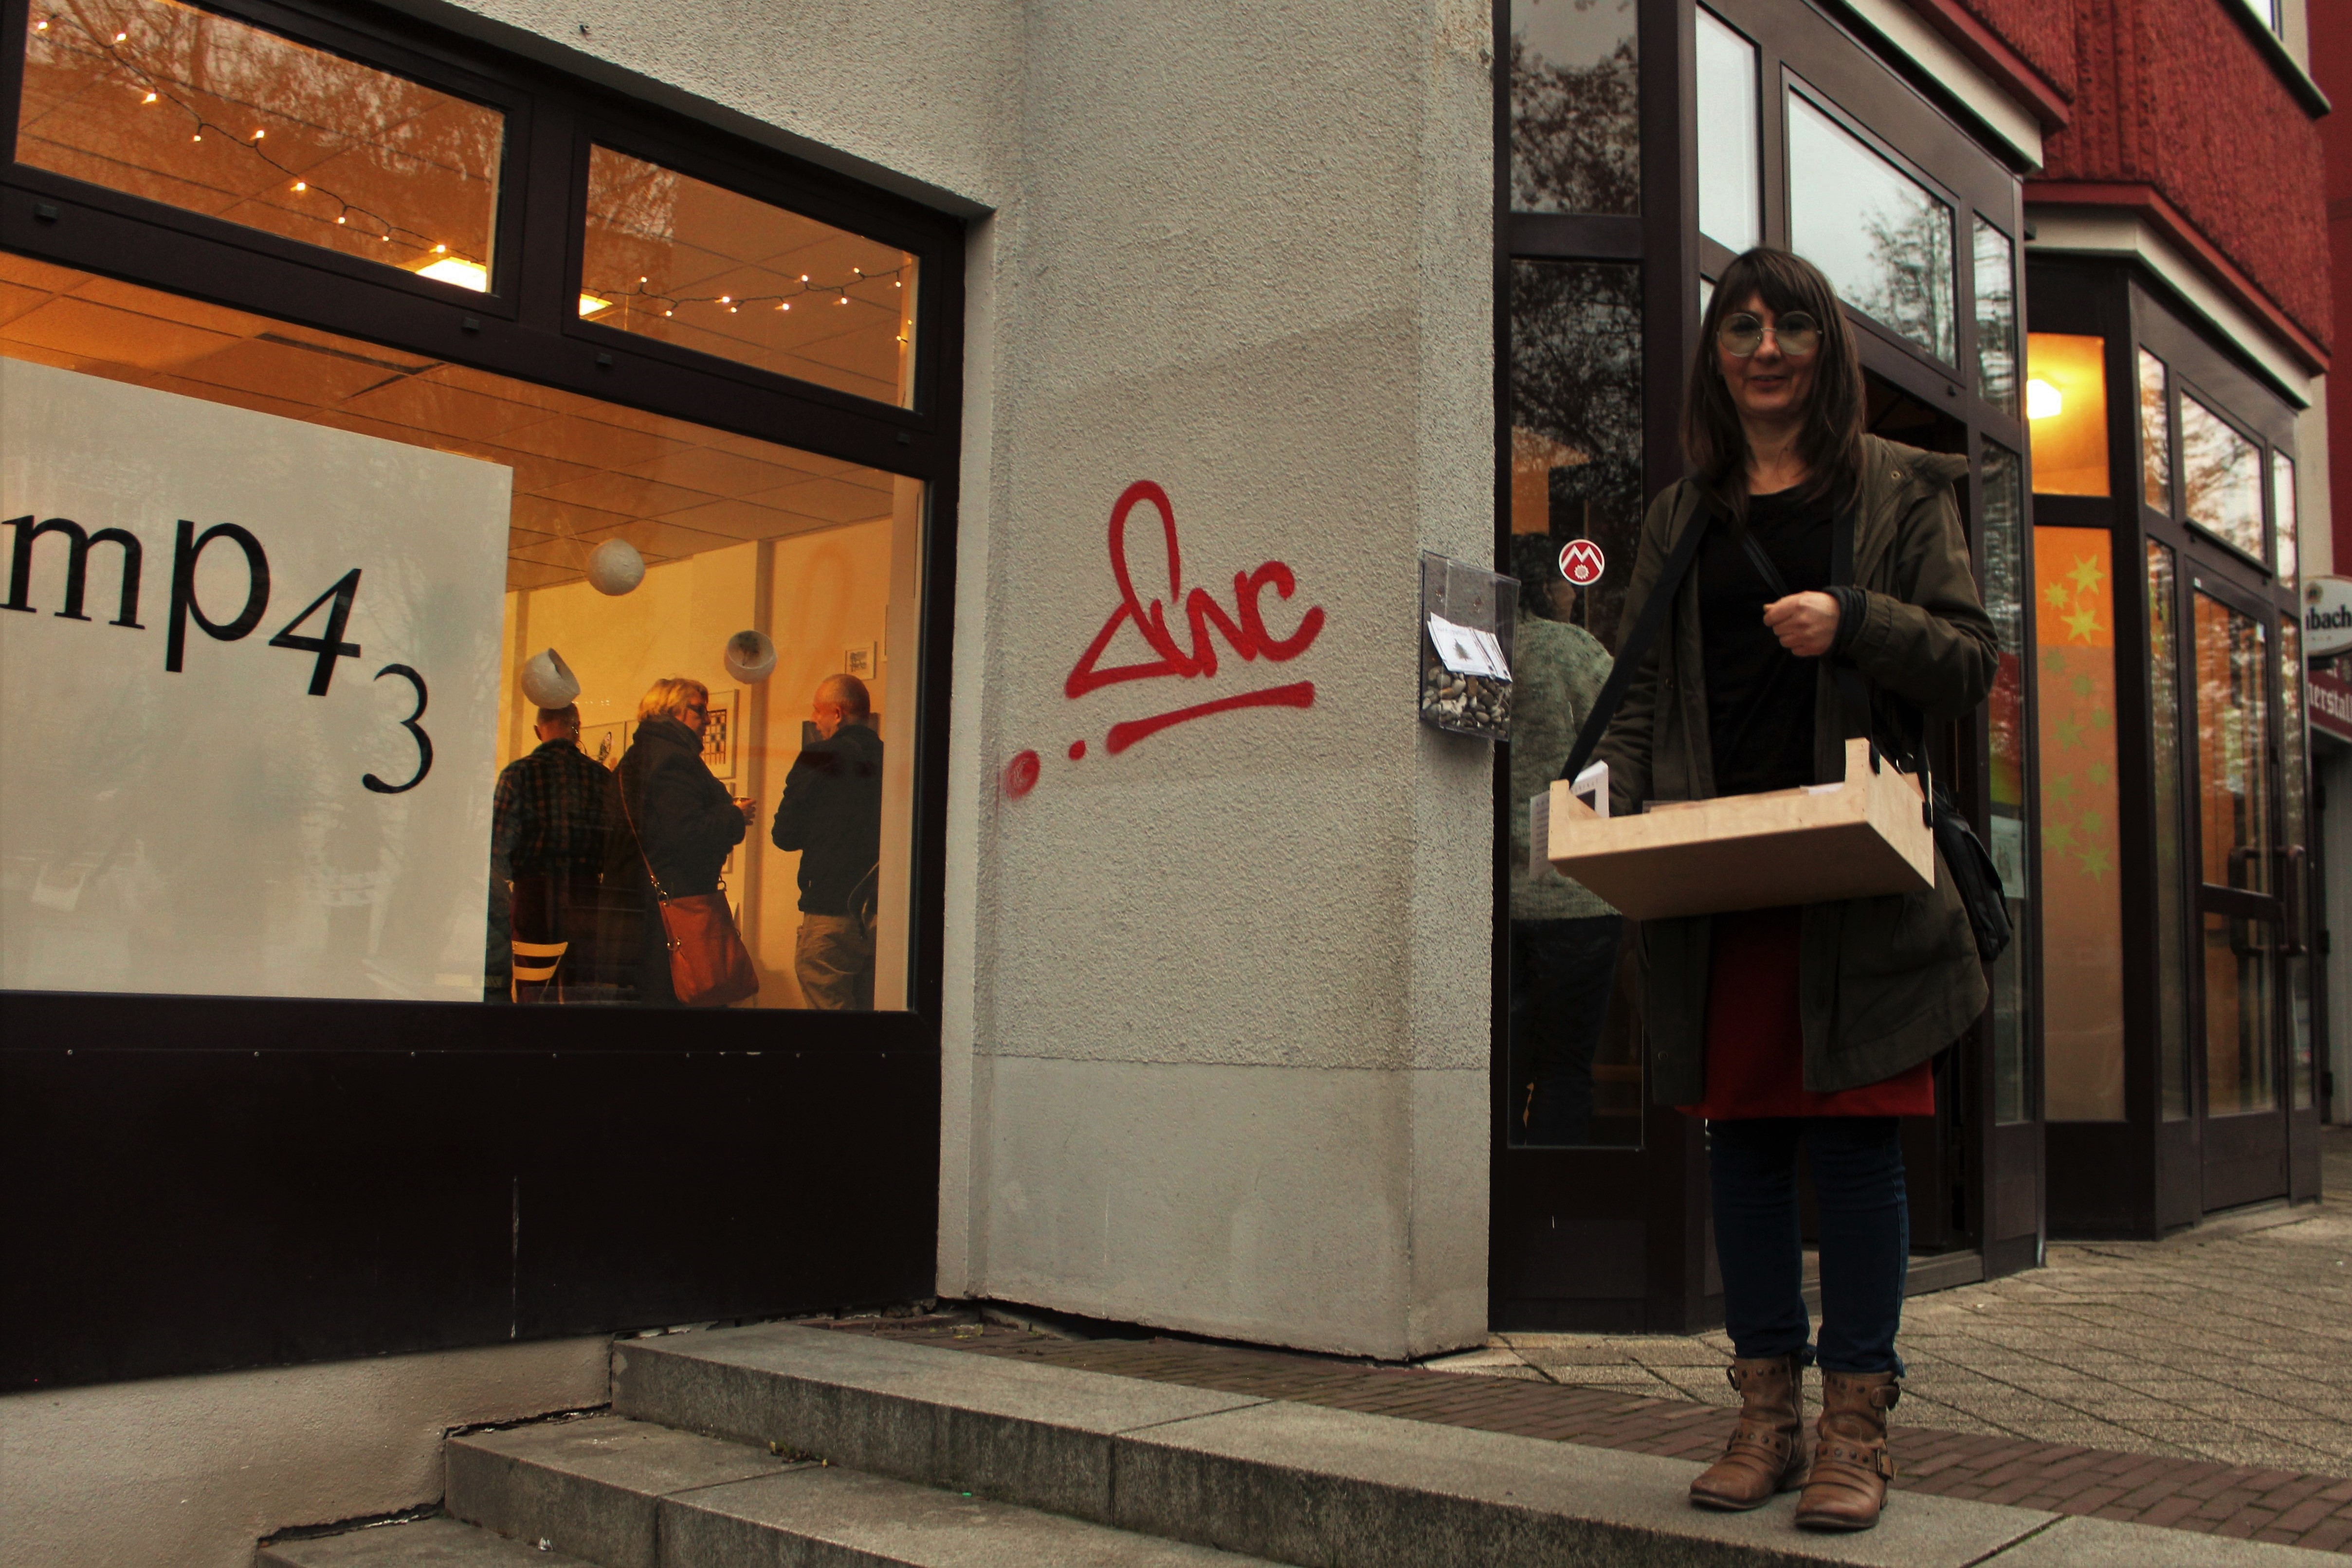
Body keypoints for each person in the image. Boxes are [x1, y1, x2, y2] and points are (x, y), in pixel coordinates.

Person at [1591, 248, 1995, 1532]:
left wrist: (1855, 619)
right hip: (1723, 872)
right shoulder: (1682, 514)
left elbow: (1970, 660)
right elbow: (1640, 685)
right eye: (1741, 327)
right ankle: (1762, 1418)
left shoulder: (1898, 488)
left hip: (1853, 873)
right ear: (1716, 356)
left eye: (1792, 327)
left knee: (1856, 1143)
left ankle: (1854, 1430)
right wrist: (1609, 785)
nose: (1765, 349)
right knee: (1747, 1143)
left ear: (1828, 347)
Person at [1506, 534, 1621, 1145]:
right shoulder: (1571, 648)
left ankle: (1503, 1190)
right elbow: (1631, 731)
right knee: (1565, 1069)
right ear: (1549, 587)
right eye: (1566, 584)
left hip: (1503, 895)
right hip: (1578, 891)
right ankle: (1553, 1189)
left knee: (1504, 1064)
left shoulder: (1489, 648)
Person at [617, 677, 753, 1006]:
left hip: (638, 911)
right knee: (694, 1002)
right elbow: (688, 834)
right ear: (673, 710)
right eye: (700, 710)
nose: (707, 720)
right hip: (675, 911)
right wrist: (734, 815)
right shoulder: (673, 760)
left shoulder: (632, 761)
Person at [488, 703, 627, 1002]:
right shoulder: (601, 777)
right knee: (583, 990)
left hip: (533, 895)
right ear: (577, 728)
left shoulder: (517, 774)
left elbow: (497, 847)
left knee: (535, 989)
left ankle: (536, 1034)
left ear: (538, 731)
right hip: (586, 895)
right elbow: (614, 847)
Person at [770, 674, 883, 1010]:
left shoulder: (820, 756)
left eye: (818, 711)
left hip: (830, 908)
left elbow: (784, 834)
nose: (814, 719)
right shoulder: (891, 756)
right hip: (881, 911)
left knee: (830, 1019)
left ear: (837, 713)